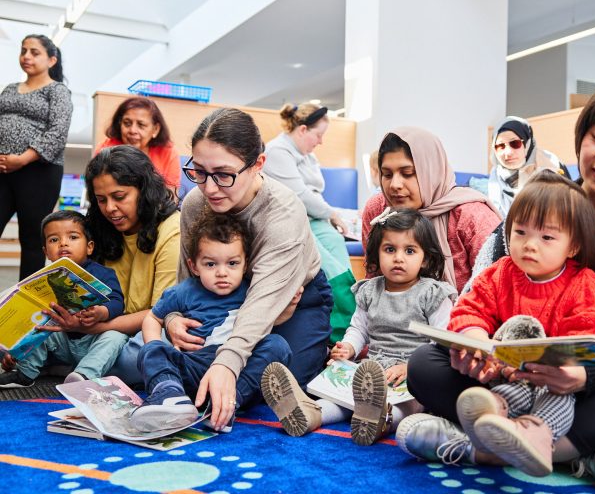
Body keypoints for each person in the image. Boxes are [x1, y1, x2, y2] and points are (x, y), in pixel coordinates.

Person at [398, 73, 595, 492]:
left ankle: (489, 448)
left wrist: (585, 375)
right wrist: (470, 348)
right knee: (424, 364)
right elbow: (476, 297)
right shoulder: (535, 206)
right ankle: (583, 456)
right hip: (507, 379)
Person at [430, 170, 595, 476]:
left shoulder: (582, 283)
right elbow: (470, 308)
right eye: (520, 232)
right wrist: (477, 341)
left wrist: (567, 369)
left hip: (557, 387)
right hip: (508, 379)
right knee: (424, 362)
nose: (530, 245)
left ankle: (534, 434)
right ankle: (493, 418)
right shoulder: (500, 272)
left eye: (547, 237)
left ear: (573, 246)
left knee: (557, 398)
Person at [167, 107, 333, 432]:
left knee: (280, 379)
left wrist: (228, 364)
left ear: (258, 164)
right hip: (221, 299)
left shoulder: (283, 212)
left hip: (294, 303)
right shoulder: (195, 203)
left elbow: (262, 307)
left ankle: (320, 351)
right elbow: (187, 280)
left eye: (223, 174)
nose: (209, 188)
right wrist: (173, 318)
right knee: (177, 359)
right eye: (198, 172)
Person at [260, 208, 456, 445]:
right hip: (372, 371)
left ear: (424, 259)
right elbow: (358, 329)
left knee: (410, 403)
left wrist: (410, 368)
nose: (398, 258)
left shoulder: (432, 293)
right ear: (376, 254)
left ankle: (382, 420)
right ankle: (311, 413)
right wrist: (348, 349)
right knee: (343, 397)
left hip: (412, 372)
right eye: (390, 249)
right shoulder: (369, 290)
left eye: (409, 251)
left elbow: (442, 338)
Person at [130, 212, 255, 433]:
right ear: (194, 266)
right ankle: (169, 392)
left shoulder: (252, 290)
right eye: (211, 264)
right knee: (151, 351)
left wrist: (290, 305)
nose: (222, 273)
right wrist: (154, 345)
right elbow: (152, 318)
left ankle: (224, 404)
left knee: (277, 345)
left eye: (232, 263)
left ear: (245, 265)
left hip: (236, 369)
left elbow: (271, 320)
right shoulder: (185, 291)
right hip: (194, 364)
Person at [79, 146, 181, 386]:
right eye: (101, 200)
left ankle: (83, 363)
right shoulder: (99, 227)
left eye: (119, 197)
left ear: (143, 190)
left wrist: (95, 328)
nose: (110, 209)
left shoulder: (172, 230)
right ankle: (87, 363)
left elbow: (160, 313)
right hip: (101, 329)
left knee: (143, 353)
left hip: (147, 328)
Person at [362, 127, 502, 293]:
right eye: (387, 174)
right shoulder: (378, 211)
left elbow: (496, 288)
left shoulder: (472, 217)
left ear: (432, 172)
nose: (394, 185)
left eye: (408, 173)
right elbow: (373, 279)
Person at [0, 210, 125, 389]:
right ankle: (25, 374)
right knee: (38, 327)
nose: (63, 243)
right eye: (53, 240)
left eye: (73, 237)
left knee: (116, 336)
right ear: (46, 252)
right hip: (61, 340)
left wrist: (102, 312)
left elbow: (117, 301)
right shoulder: (42, 279)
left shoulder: (103, 273)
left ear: (89, 247)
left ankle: (84, 375)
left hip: (93, 340)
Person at [263, 102, 355, 343]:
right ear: (303, 129)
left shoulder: (308, 156)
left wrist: (331, 217)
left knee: (337, 243)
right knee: (328, 265)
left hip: (314, 218)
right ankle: (339, 331)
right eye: (318, 135)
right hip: (289, 218)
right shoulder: (277, 152)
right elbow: (300, 196)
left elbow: (315, 194)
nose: (321, 142)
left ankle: (352, 321)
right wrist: (332, 214)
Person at [0, 34, 73, 280]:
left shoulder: (58, 90)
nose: (26, 56)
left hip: (39, 172)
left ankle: (25, 298)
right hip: (3, 171)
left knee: (32, 238)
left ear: (51, 60)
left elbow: (58, 132)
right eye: (23, 51)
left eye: (34, 52)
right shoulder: (10, 89)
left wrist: (22, 158)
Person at [487, 116, 570, 216]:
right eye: (500, 146)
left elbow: (568, 206)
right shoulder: (496, 175)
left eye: (515, 143)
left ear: (527, 142)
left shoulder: (551, 164)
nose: (508, 153)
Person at [94, 97, 180, 189]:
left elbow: (171, 195)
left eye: (141, 125)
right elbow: (98, 190)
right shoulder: (106, 149)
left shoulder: (168, 153)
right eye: (127, 123)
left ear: (155, 129)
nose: (132, 130)